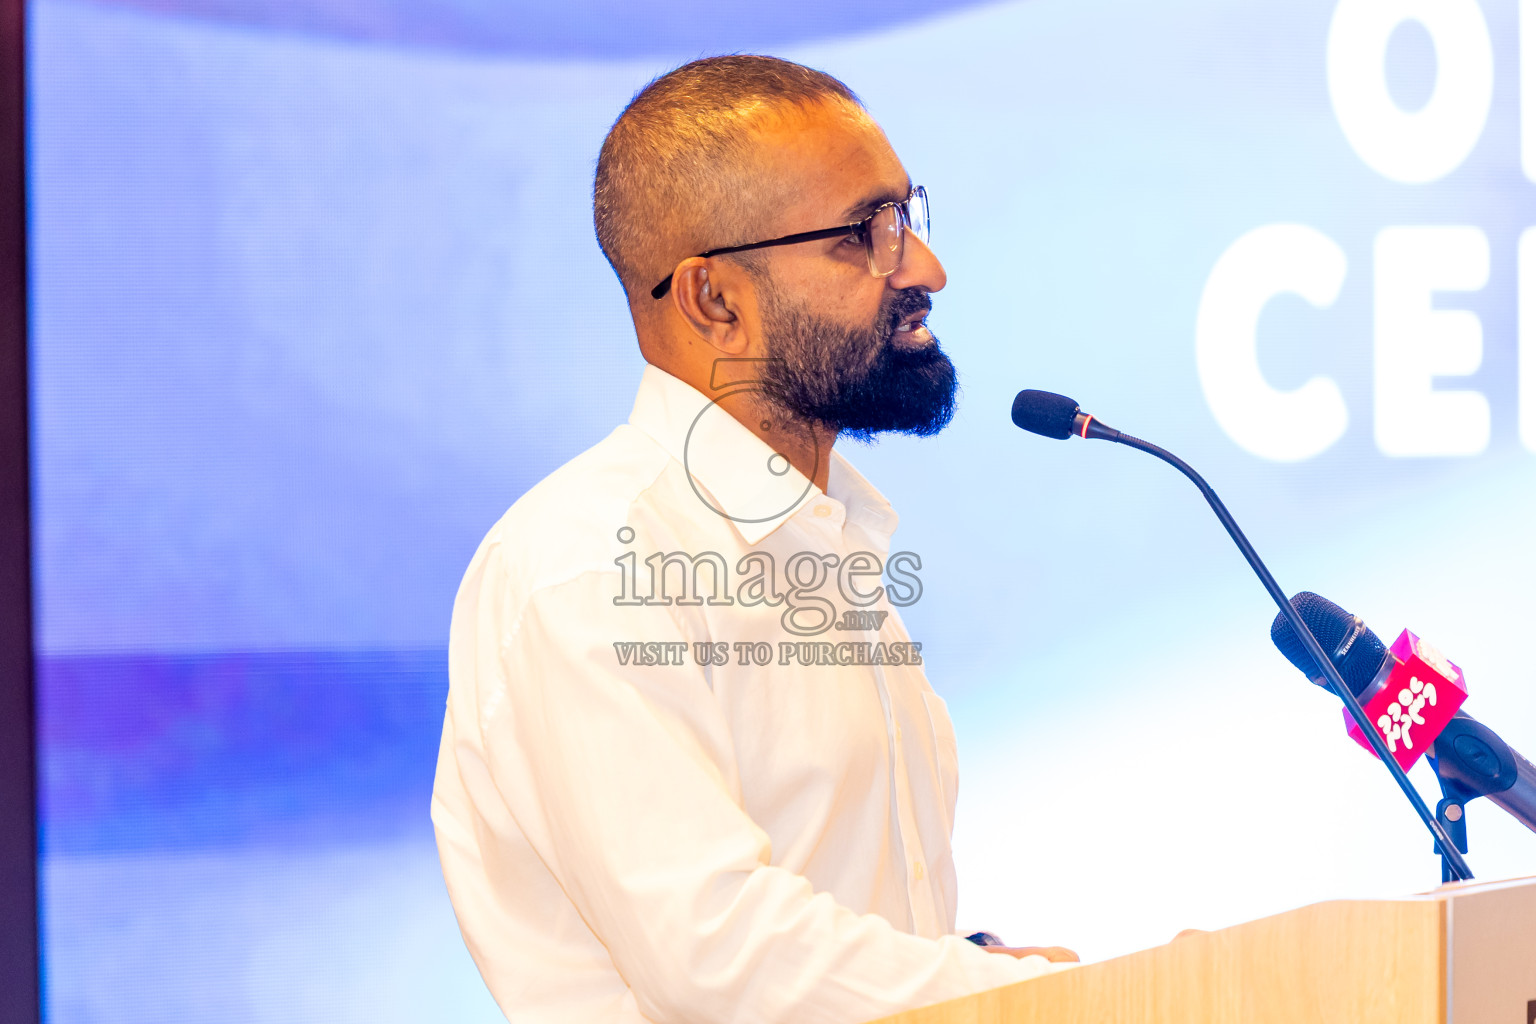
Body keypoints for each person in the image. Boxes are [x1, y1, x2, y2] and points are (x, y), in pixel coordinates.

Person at [431, 54, 1076, 1024]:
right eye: (867, 234)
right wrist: (1051, 998)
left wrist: (963, 963)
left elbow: (834, 923)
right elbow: (721, 958)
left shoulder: (828, 539)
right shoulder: (589, 564)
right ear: (712, 300)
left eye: (910, 217)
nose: (926, 270)